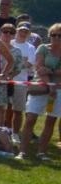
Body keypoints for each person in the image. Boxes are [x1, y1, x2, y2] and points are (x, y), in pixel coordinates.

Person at [18, 23, 61, 160]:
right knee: (30, 119)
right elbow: (40, 68)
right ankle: (22, 152)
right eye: (53, 35)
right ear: (49, 36)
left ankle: (41, 152)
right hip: (41, 88)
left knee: (50, 121)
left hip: (58, 91)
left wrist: (52, 71)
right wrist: (50, 84)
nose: (56, 38)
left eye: (59, 35)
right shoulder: (43, 48)